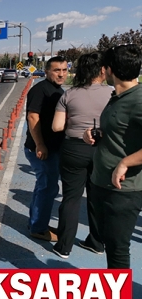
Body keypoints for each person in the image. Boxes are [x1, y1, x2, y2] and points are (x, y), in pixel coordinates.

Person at [82, 44, 142, 269]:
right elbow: (121, 130)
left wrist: (125, 162)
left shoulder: (138, 99)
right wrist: (95, 134)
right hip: (102, 182)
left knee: (118, 248)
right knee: (109, 241)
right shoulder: (117, 95)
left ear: (108, 70)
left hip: (124, 190)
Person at [51, 52, 112, 259]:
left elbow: (57, 126)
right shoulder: (113, 94)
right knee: (96, 198)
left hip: (74, 149)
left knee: (71, 198)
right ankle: (96, 242)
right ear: (102, 70)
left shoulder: (69, 94)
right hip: (103, 151)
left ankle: (64, 245)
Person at [24, 56, 68, 242]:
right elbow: (33, 117)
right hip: (41, 149)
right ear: (47, 71)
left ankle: (36, 222)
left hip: (52, 147)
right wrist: (40, 145)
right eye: (57, 70)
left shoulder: (58, 90)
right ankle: (39, 228)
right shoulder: (40, 90)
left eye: (64, 70)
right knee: (48, 187)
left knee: (43, 186)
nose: (61, 74)